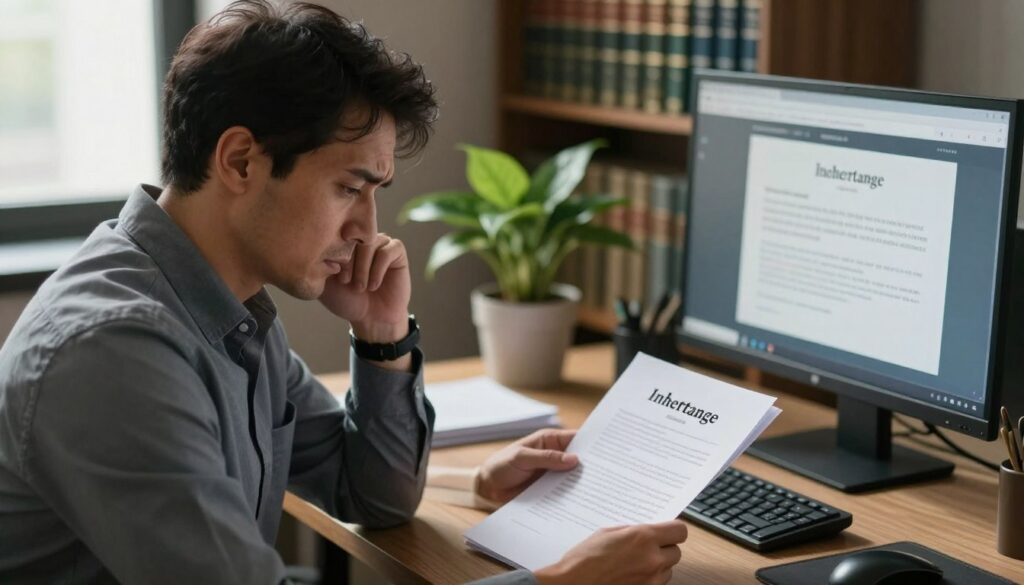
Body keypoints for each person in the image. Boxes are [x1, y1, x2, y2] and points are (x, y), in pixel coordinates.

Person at [0, 2, 687, 584]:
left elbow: (371, 495)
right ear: (240, 160)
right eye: (349, 188)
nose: (368, 232)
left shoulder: (228, 306)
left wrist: (383, 336)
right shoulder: (116, 350)